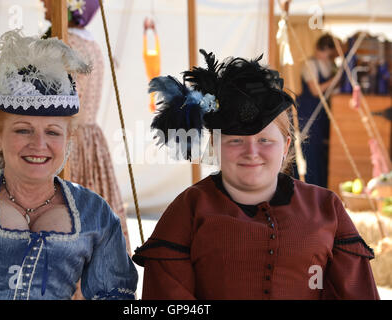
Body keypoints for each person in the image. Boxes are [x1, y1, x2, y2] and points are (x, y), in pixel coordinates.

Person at [132, 49, 379, 300]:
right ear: (216, 146)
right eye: (236, 140)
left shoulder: (327, 208)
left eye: (264, 140)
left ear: (285, 145)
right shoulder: (188, 210)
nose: (252, 152)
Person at [0, 30, 137, 300]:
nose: (39, 144)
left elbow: (116, 295)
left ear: (68, 139)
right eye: (23, 130)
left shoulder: (94, 213)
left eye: (53, 132)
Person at [40, 0, 131, 254]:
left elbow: (55, 101)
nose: (43, 3)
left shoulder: (64, 43)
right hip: (90, 138)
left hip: (68, 138)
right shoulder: (91, 43)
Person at [295, 34, 339, 188]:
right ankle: (305, 186)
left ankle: (319, 186)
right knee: (308, 148)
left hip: (320, 112)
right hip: (307, 109)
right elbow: (315, 90)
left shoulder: (329, 63)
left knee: (319, 150)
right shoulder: (310, 64)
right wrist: (335, 79)